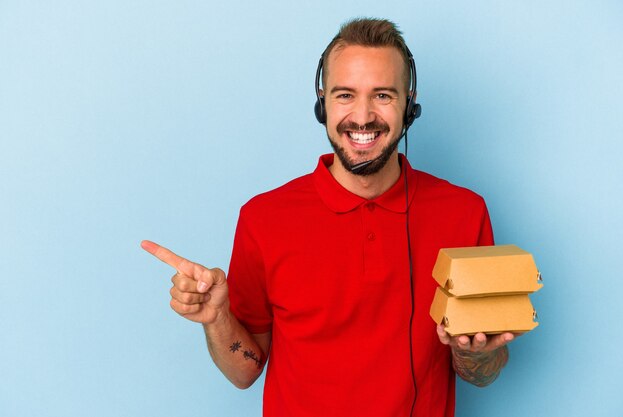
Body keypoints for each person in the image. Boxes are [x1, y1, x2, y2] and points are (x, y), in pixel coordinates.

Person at [142, 18, 515, 417]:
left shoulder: (464, 212)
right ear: (322, 102)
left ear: (410, 103)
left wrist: (472, 352)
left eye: (383, 96)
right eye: (345, 95)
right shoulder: (263, 218)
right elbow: (244, 372)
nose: (363, 116)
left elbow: (482, 374)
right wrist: (216, 318)